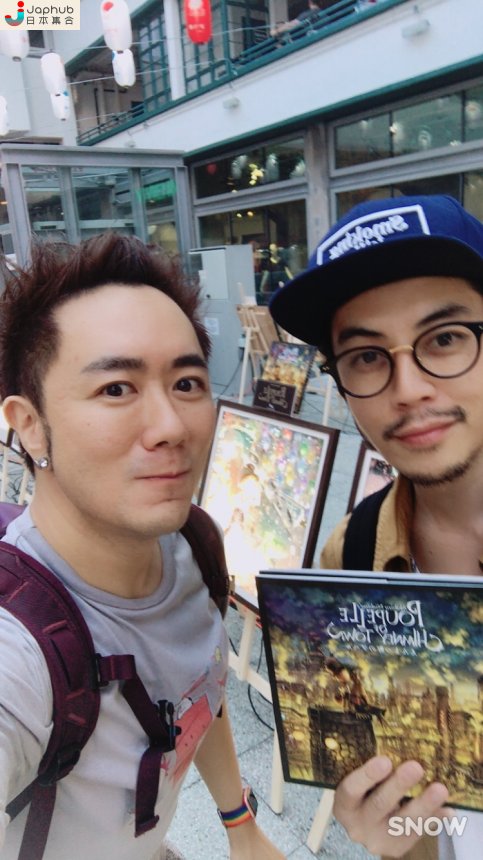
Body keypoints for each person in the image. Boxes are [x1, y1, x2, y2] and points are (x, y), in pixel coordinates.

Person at [0, 232, 285, 860]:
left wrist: (239, 822)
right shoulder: (18, 654)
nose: (171, 426)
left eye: (187, 383)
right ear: (30, 425)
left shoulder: (193, 544)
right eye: (116, 389)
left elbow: (199, 687)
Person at [269, 193, 483, 860]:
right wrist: (396, 840)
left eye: (444, 338)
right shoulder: (351, 556)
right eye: (365, 356)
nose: (408, 388)